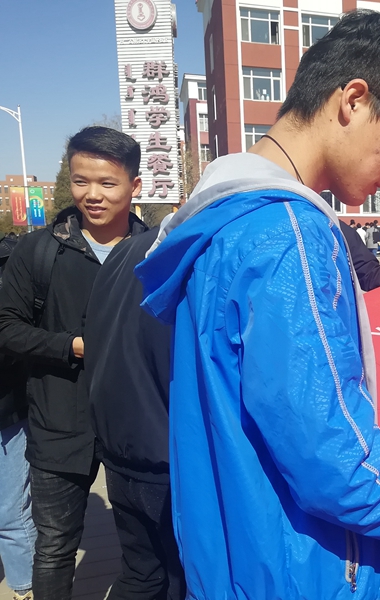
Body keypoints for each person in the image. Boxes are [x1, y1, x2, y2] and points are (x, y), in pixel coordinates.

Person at [134, 11, 380, 599]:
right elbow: (336, 467)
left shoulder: (223, 219)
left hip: (240, 562)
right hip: (305, 574)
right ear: (354, 100)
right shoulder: (286, 235)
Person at [0, 126, 148, 599]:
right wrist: (72, 347)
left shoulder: (157, 251)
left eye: (107, 183)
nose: (93, 195)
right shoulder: (40, 250)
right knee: (54, 548)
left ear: (134, 186)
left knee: (147, 550)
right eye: (81, 181)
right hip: (60, 424)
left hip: (138, 429)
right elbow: (6, 326)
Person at [84, 225, 185, 600]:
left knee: (140, 574)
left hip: (120, 449)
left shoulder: (122, 253)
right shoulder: (192, 251)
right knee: (179, 579)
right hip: (167, 457)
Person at [0, 233, 35, 600]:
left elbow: (17, 338)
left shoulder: (11, 263)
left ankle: (25, 589)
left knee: (10, 512)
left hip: (7, 413)